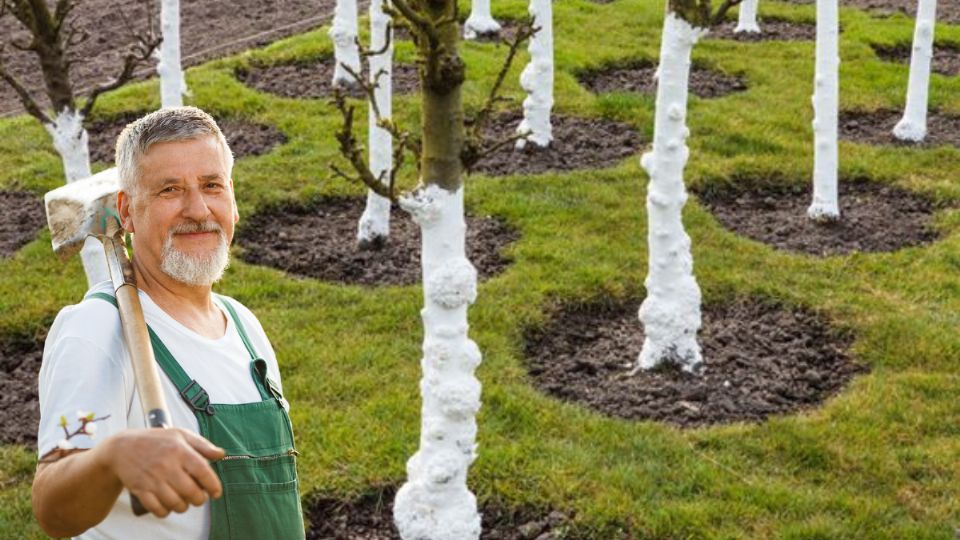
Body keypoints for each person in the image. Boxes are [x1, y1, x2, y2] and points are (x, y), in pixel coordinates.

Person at [33, 106, 305, 539]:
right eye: (169, 190)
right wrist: (111, 458)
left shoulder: (244, 327)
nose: (197, 209)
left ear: (232, 200)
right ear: (126, 210)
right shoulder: (96, 331)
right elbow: (51, 508)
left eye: (211, 185)